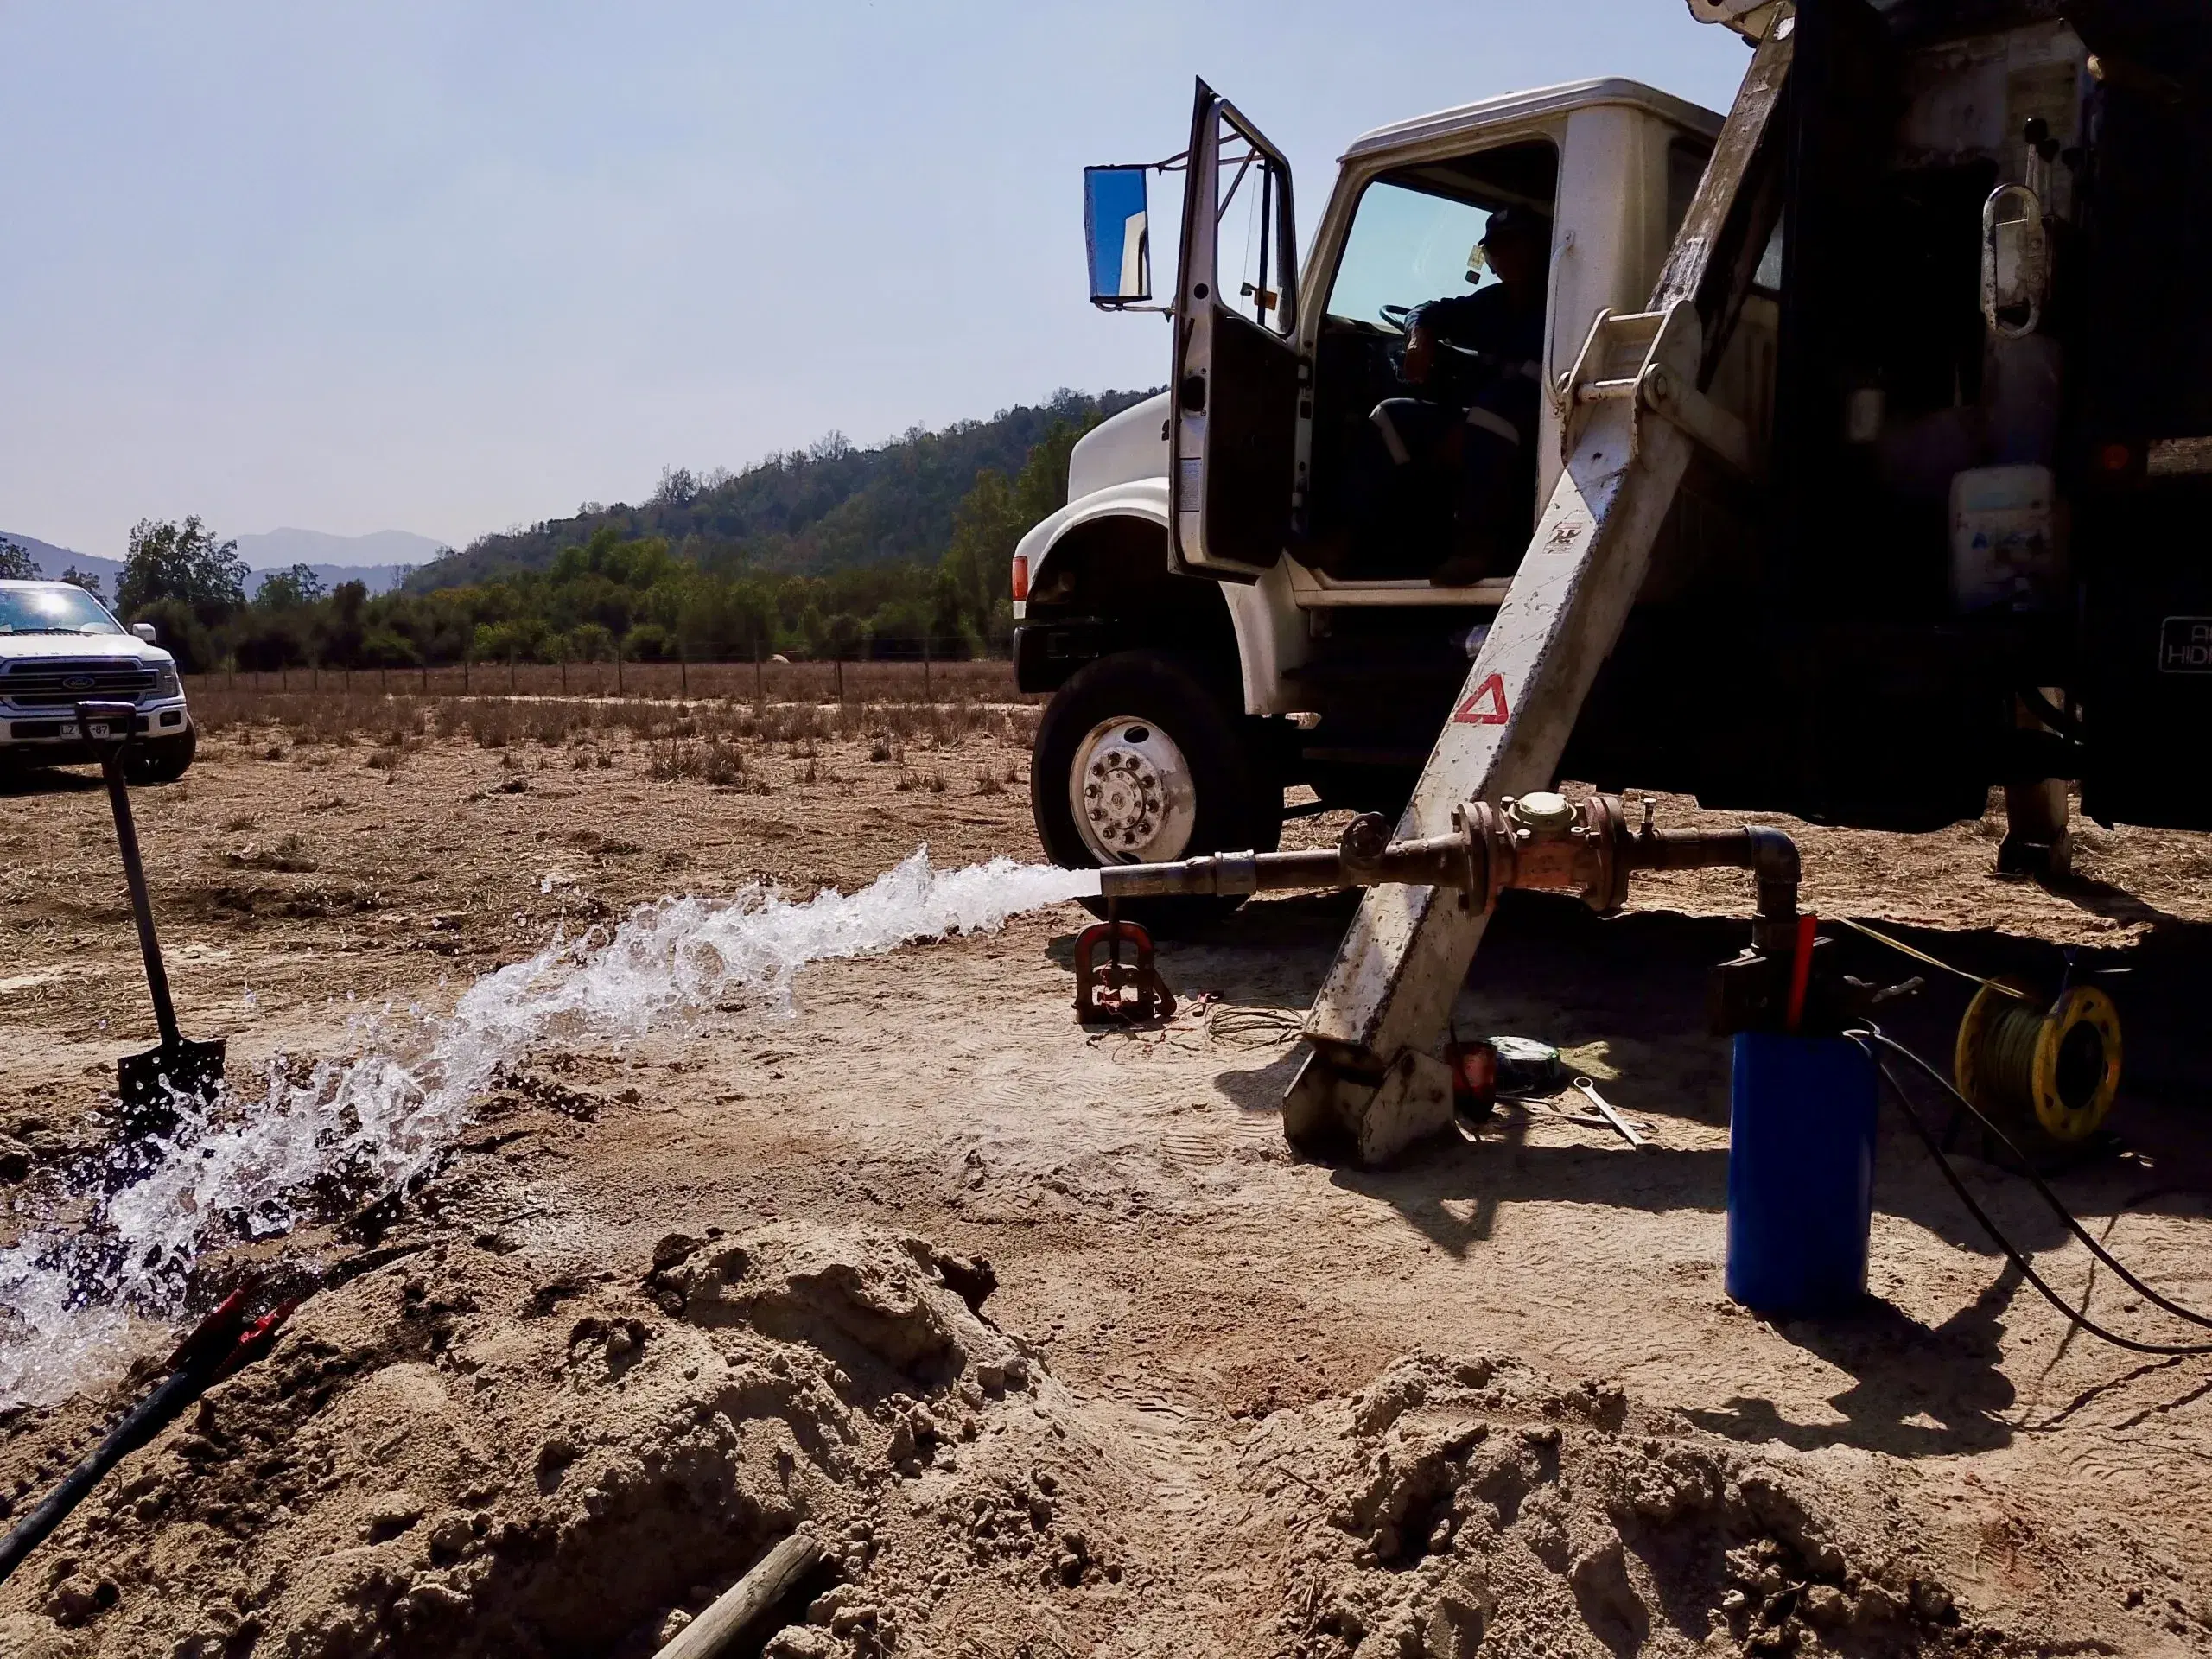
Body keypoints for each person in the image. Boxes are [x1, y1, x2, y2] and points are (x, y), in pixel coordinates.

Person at [1359, 206, 1552, 584]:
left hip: (1544, 424)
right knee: (1390, 417)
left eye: (1514, 243)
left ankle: (1476, 549)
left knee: (1488, 415)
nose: (1503, 254)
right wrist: (1420, 339)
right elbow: (1426, 311)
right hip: (1484, 418)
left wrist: (1471, 424)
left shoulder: (1561, 299)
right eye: (1495, 247)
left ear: (1537, 247)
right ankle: (1354, 539)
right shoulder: (1488, 303)